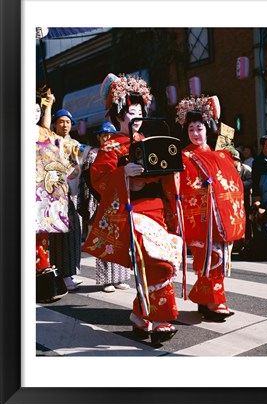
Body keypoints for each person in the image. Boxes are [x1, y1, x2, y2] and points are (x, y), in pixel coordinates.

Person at [83, 73, 183, 345]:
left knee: (157, 262)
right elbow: (99, 179)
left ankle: (140, 316)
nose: (135, 118)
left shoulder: (152, 141)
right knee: (156, 263)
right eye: (130, 113)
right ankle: (161, 318)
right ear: (117, 116)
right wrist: (123, 173)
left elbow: (169, 179)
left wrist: (171, 170)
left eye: (139, 113)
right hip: (133, 211)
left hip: (157, 211)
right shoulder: (111, 146)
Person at [175, 95, 246, 321]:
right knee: (208, 259)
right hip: (200, 219)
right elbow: (180, 185)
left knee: (220, 259)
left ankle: (207, 301)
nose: (196, 133)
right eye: (192, 129)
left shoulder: (221, 155)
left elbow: (233, 182)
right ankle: (213, 302)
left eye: (200, 128)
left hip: (221, 218)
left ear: (208, 130)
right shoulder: (184, 157)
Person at [77, 121, 131, 293]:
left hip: (119, 197)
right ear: (99, 137)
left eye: (110, 135)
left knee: (120, 237)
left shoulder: (120, 148)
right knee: (105, 239)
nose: (108, 138)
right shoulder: (94, 153)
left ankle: (120, 277)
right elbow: (91, 179)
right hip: (101, 197)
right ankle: (106, 280)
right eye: (104, 135)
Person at [45, 109, 86, 291]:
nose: (65, 125)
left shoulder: (75, 144)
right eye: (61, 121)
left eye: (68, 122)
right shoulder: (49, 142)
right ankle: (60, 275)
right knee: (57, 237)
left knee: (72, 234)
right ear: (54, 124)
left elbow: (79, 167)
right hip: (53, 195)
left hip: (71, 194)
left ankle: (68, 274)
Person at [231, 149, 253, 246]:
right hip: (233, 200)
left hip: (245, 197)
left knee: (247, 219)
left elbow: (251, 181)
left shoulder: (246, 169)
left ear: (237, 160)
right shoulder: (229, 169)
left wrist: (238, 185)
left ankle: (248, 240)